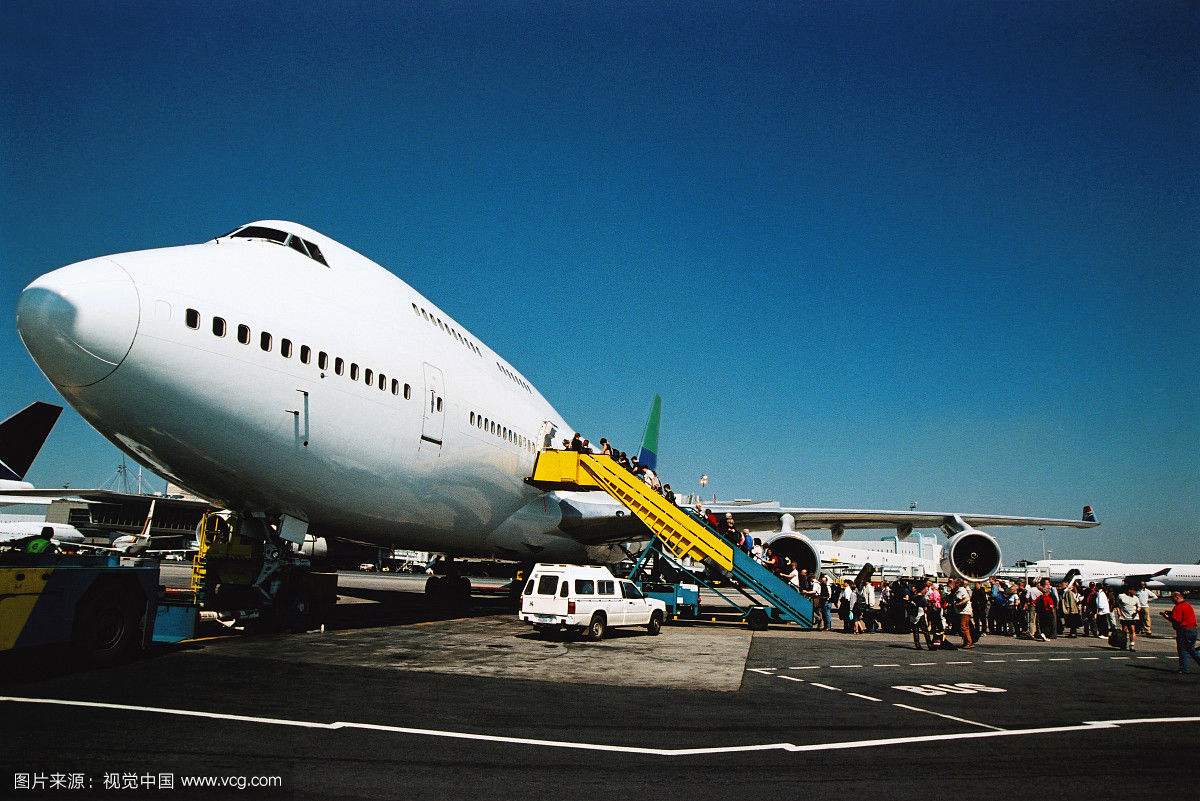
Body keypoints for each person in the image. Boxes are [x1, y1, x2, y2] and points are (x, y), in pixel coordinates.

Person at [1159, 591, 1199, 674]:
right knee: (1191, 649)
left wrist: (1166, 617)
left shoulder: (1178, 606)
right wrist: (1171, 613)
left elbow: (1176, 620)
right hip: (1193, 630)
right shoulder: (1187, 605)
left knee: (1183, 650)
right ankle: (1186, 668)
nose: (1172, 600)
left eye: (1172, 598)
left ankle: (1184, 669)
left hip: (1184, 630)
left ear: (1177, 597)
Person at [908, 580, 934, 650]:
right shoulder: (922, 598)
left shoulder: (913, 597)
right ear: (922, 589)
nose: (926, 590)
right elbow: (925, 608)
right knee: (925, 631)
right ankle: (930, 645)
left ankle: (917, 645)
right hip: (920, 614)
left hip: (913, 615)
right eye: (926, 589)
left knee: (915, 631)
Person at [1115, 586, 1142, 650]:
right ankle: (1123, 644)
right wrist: (1118, 612)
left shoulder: (1136, 598)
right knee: (1124, 630)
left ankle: (1132, 645)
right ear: (1129, 590)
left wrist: (1137, 610)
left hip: (1133, 617)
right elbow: (1117, 605)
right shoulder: (1121, 596)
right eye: (1134, 590)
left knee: (1132, 630)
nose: (1135, 592)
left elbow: (1139, 606)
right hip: (1124, 617)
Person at [952, 579, 974, 649]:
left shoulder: (961, 590)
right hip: (964, 611)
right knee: (965, 627)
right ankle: (966, 642)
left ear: (958, 584)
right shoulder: (962, 589)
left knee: (964, 627)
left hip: (964, 611)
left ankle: (968, 642)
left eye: (955, 583)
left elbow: (966, 599)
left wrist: (958, 604)